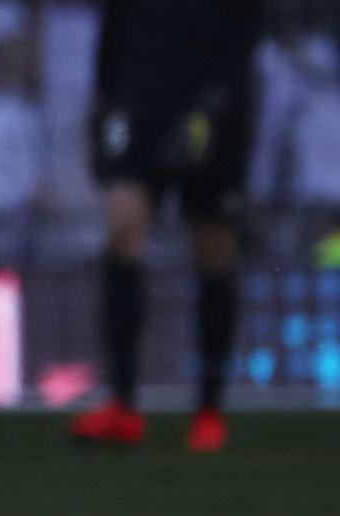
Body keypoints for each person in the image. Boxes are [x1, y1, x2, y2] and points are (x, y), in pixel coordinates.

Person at [70, 0, 261, 452]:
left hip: (214, 107)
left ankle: (210, 409)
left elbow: (245, 31)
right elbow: (114, 23)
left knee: (213, 247)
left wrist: (212, 106)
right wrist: (102, 100)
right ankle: (122, 403)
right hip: (139, 100)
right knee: (122, 229)